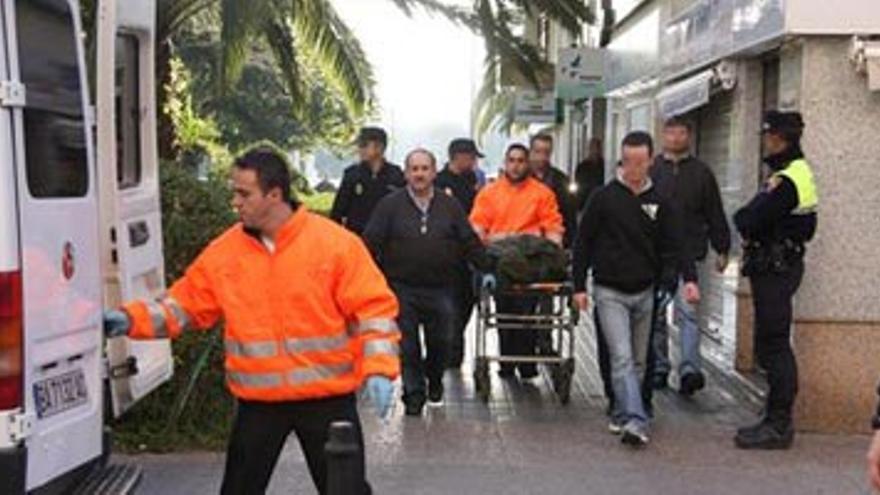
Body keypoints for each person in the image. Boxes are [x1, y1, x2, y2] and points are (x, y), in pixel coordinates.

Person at [102, 148, 400, 495]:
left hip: (327, 400)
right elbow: (183, 306)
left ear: (274, 195)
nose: (235, 202)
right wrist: (128, 319)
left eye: (244, 193)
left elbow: (374, 310)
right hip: (260, 403)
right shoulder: (224, 253)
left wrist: (379, 368)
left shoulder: (335, 246)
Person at [572, 132, 698, 447]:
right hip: (609, 289)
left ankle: (624, 409)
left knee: (641, 361)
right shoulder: (603, 197)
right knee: (622, 357)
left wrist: (688, 279)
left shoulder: (661, 201)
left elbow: (676, 243)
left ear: (651, 161)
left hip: (646, 290)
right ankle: (635, 419)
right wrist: (578, 286)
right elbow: (583, 241)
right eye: (627, 162)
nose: (633, 169)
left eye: (640, 162)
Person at [363, 148, 487, 416]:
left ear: (434, 172)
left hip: (442, 287)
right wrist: (363, 277)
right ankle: (414, 393)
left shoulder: (449, 205)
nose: (419, 174)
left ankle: (434, 380)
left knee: (441, 341)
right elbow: (370, 242)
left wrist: (489, 268)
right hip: (401, 287)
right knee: (407, 345)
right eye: (414, 169)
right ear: (406, 173)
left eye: (424, 168)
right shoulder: (389, 205)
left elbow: (468, 240)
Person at [732, 110, 818, 450]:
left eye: (767, 136)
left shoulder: (789, 179)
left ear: (779, 139)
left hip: (777, 267)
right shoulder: (788, 172)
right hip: (776, 266)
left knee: (775, 345)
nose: (765, 142)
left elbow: (750, 219)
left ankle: (779, 424)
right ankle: (773, 418)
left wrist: (749, 218)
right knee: (771, 343)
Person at [649, 117, 731, 395]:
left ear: (689, 136)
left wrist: (722, 247)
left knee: (689, 313)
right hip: (656, 254)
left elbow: (714, 211)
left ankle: (689, 369)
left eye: (681, 132)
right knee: (656, 314)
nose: (675, 138)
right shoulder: (652, 170)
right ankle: (659, 367)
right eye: (670, 132)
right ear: (663, 136)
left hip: (692, 253)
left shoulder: (701, 173)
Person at [470, 143, 564, 379]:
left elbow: (553, 230)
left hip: (531, 262)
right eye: (511, 160)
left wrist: (552, 252)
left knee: (526, 314)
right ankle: (509, 363)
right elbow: (477, 230)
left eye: (521, 160)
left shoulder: (542, 194)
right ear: (505, 162)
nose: (516, 165)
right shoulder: (489, 193)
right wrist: (498, 239)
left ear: (527, 163)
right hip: (499, 260)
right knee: (504, 312)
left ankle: (524, 362)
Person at [435, 138, 484, 368]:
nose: (474, 163)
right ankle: (451, 353)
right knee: (450, 303)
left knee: (466, 301)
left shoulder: (472, 179)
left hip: (469, 251)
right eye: (472, 158)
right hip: (446, 252)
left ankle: (454, 348)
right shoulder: (440, 182)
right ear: (458, 157)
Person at [330, 126, 405, 235]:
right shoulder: (352, 174)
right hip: (357, 239)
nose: (360, 149)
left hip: (387, 241)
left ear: (380, 148)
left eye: (364, 145)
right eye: (359, 145)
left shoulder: (396, 175)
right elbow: (337, 213)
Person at [530, 134, 578, 249]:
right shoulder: (521, 178)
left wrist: (570, 243)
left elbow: (569, 214)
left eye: (546, 152)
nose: (542, 157)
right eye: (538, 152)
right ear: (531, 152)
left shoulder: (561, 180)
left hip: (552, 241)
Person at [574, 137, 606, 214]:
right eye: (592, 148)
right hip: (584, 201)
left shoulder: (604, 166)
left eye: (597, 148)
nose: (595, 151)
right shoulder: (582, 166)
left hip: (600, 202)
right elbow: (577, 183)